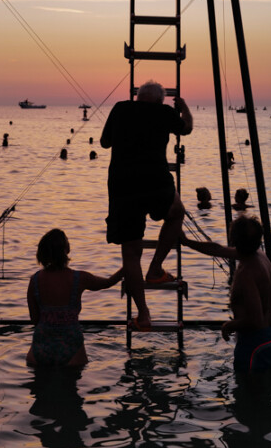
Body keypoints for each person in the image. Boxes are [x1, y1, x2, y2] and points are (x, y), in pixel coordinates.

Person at [100, 80, 193, 328]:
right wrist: (184, 107)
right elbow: (187, 129)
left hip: (123, 186)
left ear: (138, 96)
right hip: (155, 182)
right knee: (176, 212)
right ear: (160, 101)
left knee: (130, 254)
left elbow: (104, 143)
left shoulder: (120, 108)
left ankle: (143, 315)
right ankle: (155, 268)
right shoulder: (164, 112)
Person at [181, 216, 271, 372]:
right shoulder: (260, 256)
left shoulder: (246, 273)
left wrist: (228, 325)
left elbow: (256, 320)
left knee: (247, 393)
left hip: (256, 345)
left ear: (234, 240)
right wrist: (187, 241)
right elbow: (217, 249)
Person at [26, 229, 123, 366]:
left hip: (41, 345)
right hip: (71, 344)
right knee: (70, 384)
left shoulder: (34, 280)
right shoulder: (80, 278)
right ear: (66, 249)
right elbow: (107, 283)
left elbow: (35, 319)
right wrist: (126, 268)